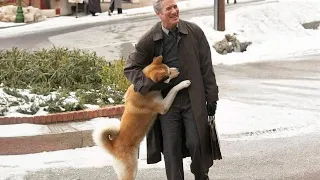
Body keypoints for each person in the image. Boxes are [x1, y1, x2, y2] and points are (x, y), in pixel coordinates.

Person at [123, 0, 220, 179]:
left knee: (197, 143)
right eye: (169, 8)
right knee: (171, 150)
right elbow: (131, 68)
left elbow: (206, 67)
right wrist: (149, 85)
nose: (175, 11)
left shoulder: (194, 32)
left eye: (175, 6)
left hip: (193, 99)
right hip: (167, 105)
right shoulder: (150, 38)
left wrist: (212, 97)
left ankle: (201, 175)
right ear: (159, 14)